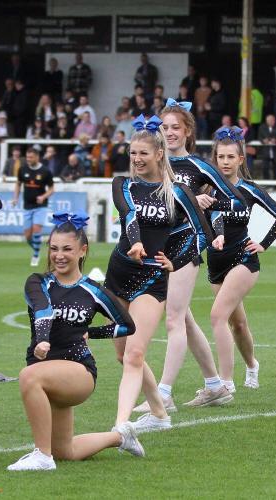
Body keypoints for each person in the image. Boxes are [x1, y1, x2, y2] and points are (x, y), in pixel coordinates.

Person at [133, 99, 246, 412]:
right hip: (157, 249)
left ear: (188, 132)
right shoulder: (153, 165)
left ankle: (164, 395)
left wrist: (203, 203)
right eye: (164, 127)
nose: (169, 133)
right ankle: (215, 385)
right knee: (183, 317)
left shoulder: (198, 166)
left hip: (186, 247)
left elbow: (235, 201)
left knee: (172, 320)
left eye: (175, 128)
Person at [104, 113, 214, 432]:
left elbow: (202, 234)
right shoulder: (122, 184)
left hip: (152, 282)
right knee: (124, 355)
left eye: (143, 153)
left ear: (158, 154)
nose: (137, 159)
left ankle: (121, 426)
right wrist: (136, 243)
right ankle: (159, 414)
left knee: (136, 353)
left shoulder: (178, 193)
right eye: (133, 153)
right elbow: (128, 216)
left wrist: (176, 262)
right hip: (118, 276)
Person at [7, 212, 141, 471]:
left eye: (67, 249)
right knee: (65, 451)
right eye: (54, 248)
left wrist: (92, 332)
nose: (59, 255)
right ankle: (121, 436)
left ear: (82, 250)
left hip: (78, 371)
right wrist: (43, 340)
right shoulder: (38, 282)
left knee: (28, 377)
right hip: (48, 372)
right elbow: (43, 308)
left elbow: (127, 325)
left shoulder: (94, 290)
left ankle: (42, 457)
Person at [208, 126, 276, 391]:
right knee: (237, 324)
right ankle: (252, 364)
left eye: (231, 157)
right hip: (216, 262)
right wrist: (213, 236)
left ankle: (225, 383)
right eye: (221, 157)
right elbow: (211, 218)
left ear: (241, 159)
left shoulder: (250, 190)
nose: (226, 162)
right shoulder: (208, 189)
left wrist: (263, 243)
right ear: (215, 159)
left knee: (217, 316)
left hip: (243, 259)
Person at [12, 148, 54, 267]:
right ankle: (38, 249)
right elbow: (18, 184)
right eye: (27, 157)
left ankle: (35, 255)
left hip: (41, 206)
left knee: (36, 229)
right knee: (28, 236)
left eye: (31, 157)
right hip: (27, 206)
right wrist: (15, 198)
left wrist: (43, 196)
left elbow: (51, 189)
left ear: (37, 157)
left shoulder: (45, 171)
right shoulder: (22, 169)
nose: (29, 159)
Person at [257, 113, 276, 179]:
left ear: (274, 120)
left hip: (275, 151)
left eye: (272, 120)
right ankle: (267, 184)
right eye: (269, 120)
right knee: (265, 168)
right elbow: (259, 137)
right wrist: (263, 140)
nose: (271, 121)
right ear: (266, 121)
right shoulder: (262, 127)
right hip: (266, 151)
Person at [193, 75, 211, 139]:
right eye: (201, 81)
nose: (202, 82)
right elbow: (195, 101)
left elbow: (210, 101)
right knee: (197, 131)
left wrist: (203, 107)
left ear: (206, 82)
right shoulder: (197, 90)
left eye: (204, 81)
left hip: (206, 115)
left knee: (205, 131)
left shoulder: (209, 90)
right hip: (198, 114)